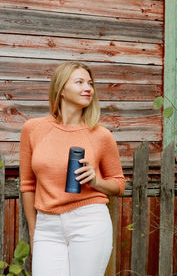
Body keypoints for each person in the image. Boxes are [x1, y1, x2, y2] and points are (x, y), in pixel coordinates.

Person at [19, 61, 126, 276]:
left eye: (90, 83)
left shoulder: (100, 135)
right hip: (47, 226)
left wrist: (96, 181)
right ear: (61, 89)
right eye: (79, 82)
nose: (88, 88)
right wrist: (34, 229)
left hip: (89, 221)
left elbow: (119, 184)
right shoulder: (33, 129)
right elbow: (28, 186)